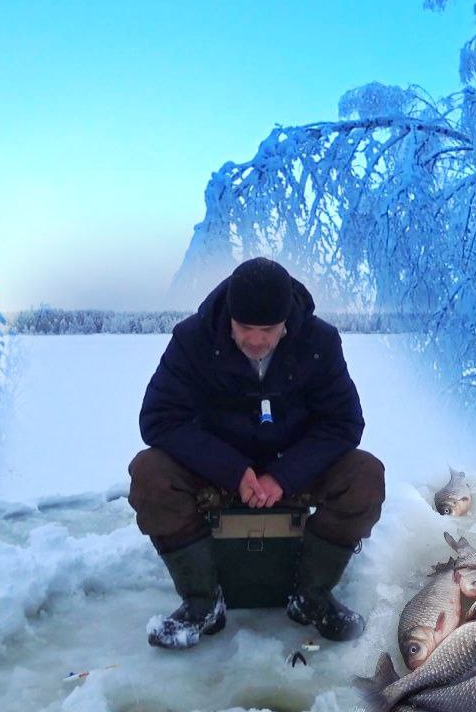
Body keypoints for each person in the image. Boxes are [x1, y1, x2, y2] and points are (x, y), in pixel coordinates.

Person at [128, 257, 385, 650]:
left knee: (365, 475)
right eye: (244, 327)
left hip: (294, 470)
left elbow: (344, 424)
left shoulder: (319, 342)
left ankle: (311, 597)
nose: (255, 340)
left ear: (287, 321)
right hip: (216, 470)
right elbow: (159, 419)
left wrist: (283, 475)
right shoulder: (192, 339)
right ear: (229, 315)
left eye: (267, 329)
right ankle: (202, 601)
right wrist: (233, 471)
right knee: (149, 473)